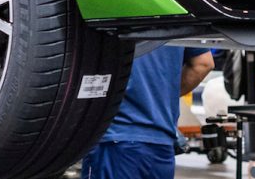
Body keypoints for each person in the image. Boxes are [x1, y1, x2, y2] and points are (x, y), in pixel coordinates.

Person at [83, 46, 217, 179]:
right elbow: (204, 63)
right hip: (162, 142)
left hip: (115, 137)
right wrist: (162, 95)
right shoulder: (178, 23)